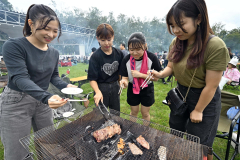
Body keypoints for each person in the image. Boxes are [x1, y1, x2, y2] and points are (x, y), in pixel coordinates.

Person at [149, 0, 229, 159]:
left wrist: (198, 110)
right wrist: (160, 74)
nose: (176, 30)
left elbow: (211, 86)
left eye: (181, 23)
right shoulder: (177, 42)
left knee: (200, 144)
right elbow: (171, 67)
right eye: (172, 25)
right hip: (181, 95)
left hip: (205, 99)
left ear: (198, 19)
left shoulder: (215, 46)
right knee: (176, 134)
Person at [0, 4, 78, 160]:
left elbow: (54, 77)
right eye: (45, 28)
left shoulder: (54, 53)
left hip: (43, 102)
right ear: (31, 24)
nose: (50, 34)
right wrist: (46, 97)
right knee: (17, 152)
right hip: (17, 101)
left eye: (55, 31)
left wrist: (66, 85)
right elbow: (19, 78)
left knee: (48, 143)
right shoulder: (14, 46)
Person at [119, 32, 162, 122]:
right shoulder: (126, 59)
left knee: (145, 113)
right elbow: (125, 78)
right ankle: (132, 131)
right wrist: (124, 82)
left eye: (138, 49)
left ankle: (145, 132)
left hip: (147, 88)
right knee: (134, 112)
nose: (134, 53)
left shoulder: (152, 58)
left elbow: (157, 78)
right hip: (133, 87)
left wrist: (140, 75)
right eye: (131, 49)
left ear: (145, 46)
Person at [88, 23, 124, 111]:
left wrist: (120, 82)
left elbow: (120, 72)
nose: (106, 43)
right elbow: (92, 78)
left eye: (109, 39)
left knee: (115, 113)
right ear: (98, 39)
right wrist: (97, 91)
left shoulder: (119, 53)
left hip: (115, 86)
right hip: (101, 87)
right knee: (101, 115)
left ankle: (115, 125)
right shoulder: (95, 56)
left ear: (113, 37)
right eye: (103, 40)